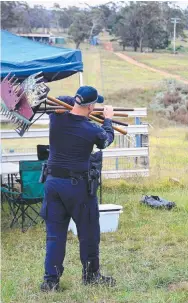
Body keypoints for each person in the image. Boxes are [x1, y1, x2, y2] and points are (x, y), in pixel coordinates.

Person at [40, 86, 116, 291]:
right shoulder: (91, 129)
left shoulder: (57, 118)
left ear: (75, 101)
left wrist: (74, 103)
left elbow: (61, 100)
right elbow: (106, 140)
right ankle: (91, 276)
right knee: (89, 233)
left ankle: (50, 282)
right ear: (91, 106)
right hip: (78, 188)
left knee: (55, 235)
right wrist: (108, 119)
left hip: (53, 184)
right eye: (94, 105)